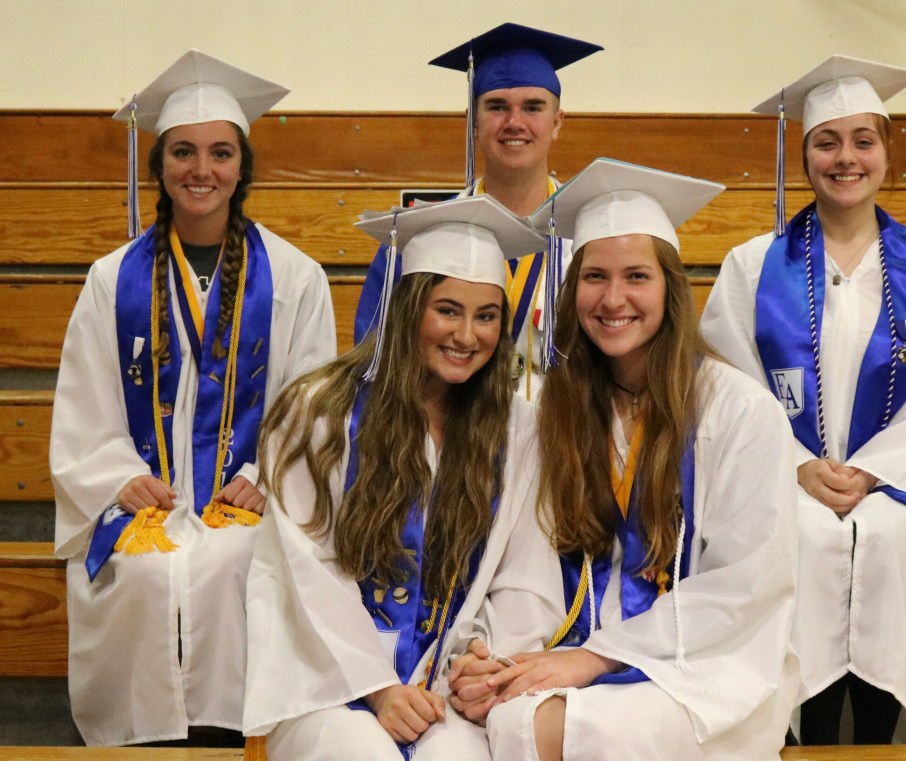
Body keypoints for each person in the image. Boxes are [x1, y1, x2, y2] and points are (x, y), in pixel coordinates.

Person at [448, 159, 800, 760]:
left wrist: (596, 657)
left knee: (555, 727)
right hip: (572, 650)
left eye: (636, 276)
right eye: (594, 277)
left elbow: (744, 586)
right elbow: (525, 562)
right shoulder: (550, 408)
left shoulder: (739, 412)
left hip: (704, 670)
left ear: (670, 287)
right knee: (495, 713)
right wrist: (494, 656)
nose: (614, 299)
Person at [49, 50, 336, 746]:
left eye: (218, 152)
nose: (200, 169)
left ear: (242, 167)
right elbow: (84, 405)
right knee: (147, 573)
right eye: (182, 151)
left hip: (248, 499)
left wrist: (270, 476)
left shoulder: (297, 278)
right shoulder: (110, 279)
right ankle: (147, 738)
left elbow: (314, 403)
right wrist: (119, 475)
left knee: (232, 561)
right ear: (160, 166)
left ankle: (233, 737)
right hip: (150, 503)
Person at [700, 56, 906, 744]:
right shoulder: (752, 267)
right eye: (828, 142)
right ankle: (804, 738)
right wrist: (797, 465)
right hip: (785, 481)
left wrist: (879, 473)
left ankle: (877, 742)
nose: (847, 157)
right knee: (804, 535)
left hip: (895, 484)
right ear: (803, 156)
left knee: (887, 536)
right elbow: (730, 383)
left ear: (887, 153)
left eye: (865, 140)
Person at [242, 195, 547, 760]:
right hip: (329, 683)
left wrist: (482, 657)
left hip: (446, 684)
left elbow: (525, 573)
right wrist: (378, 689)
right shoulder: (317, 412)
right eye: (447, 310)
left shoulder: (515, 428)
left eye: (486, 316)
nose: (466, 335)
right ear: (408, 309)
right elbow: (304, 571)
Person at [354, 22, 602, 400]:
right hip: (450, 445)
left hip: (569, 444)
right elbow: (377, 364)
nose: (514, 122)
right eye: (497, 106)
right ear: (473, 121)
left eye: (532, 107)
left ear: (557, 122)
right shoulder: (417, 238)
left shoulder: (594, 234)